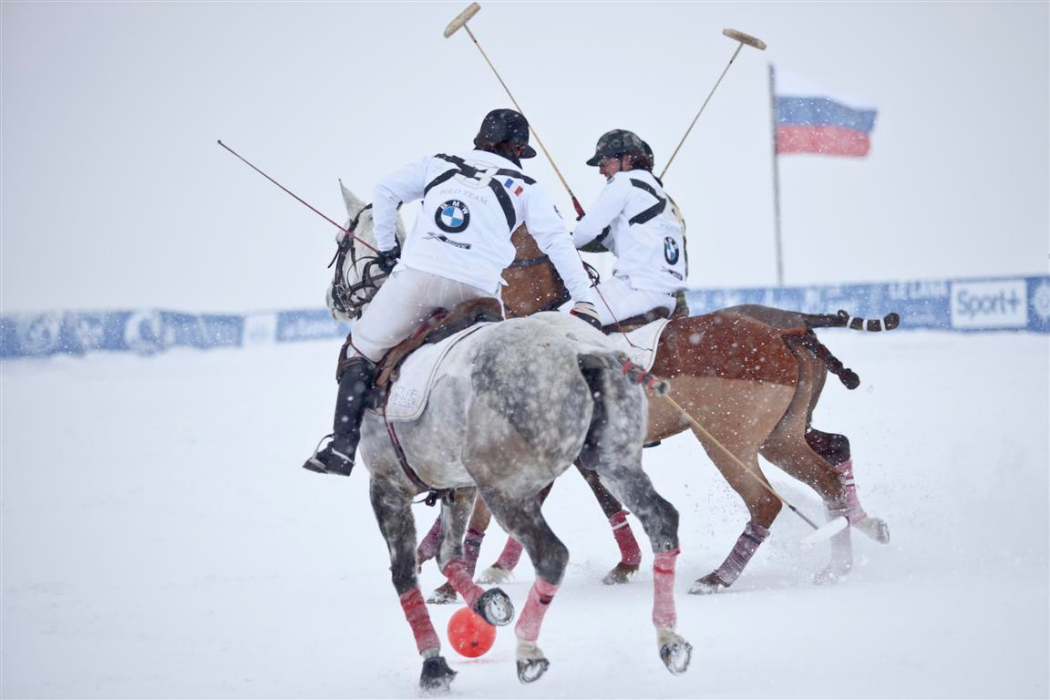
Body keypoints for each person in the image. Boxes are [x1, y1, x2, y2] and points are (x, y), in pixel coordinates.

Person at [303, 108, 601, 476]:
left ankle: (343, 448)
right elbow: (557, 243)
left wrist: (387, 248)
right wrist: (585, 300)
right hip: (477, 292)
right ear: (519, 151)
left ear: (479, 139)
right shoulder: (527, 187)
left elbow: (385, 191)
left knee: (360, 349)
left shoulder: (439, 164)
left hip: (418, 280)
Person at [572, 130, 687, 328]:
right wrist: (605, 234)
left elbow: (583, 234)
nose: (601, 171)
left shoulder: (624, 181)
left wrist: (557, 243)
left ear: (626, 160)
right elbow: (627, 248)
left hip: (637, 287)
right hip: (669, 296)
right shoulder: (664, 198)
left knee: (561, 322)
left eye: (604, 162)